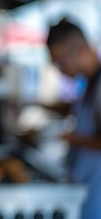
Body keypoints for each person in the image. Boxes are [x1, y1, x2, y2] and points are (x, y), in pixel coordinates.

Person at [46, 18, 101, 219]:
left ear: (82, 51)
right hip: (82, 187)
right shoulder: (88, 82)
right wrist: (38, 104)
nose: (59, 69)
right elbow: (77, 110)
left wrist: (69, 137)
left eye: (61, 62)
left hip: (96, 193)